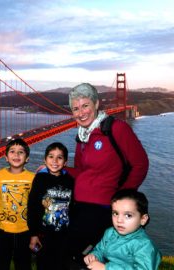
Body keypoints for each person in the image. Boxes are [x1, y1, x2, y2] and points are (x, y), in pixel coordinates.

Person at [66, 83, 149, 266]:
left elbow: (140, 164)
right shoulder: (82, 135)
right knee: (74, 258)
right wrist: (56, 168)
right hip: (79, 207)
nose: (81, 113)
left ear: (96, 104)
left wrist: (121, 197)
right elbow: (81, 172)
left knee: (91, 260)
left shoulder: (116, 128)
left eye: (85, 105)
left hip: (102, 210)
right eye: (76, 108)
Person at [84, 189, 161, 270]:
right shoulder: (110, 232)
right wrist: (94, 256)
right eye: (115, 213)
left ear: (143, 219)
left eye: (128, 215)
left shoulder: (144, 245)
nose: (119, 220)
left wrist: (106, 268)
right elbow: (100, 250)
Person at [27, 142, 74, 270]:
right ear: (45, 159)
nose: (55, 161)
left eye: (59, 157)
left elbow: (73, 207)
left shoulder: (70, 181)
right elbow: (32, 207)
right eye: (51, 156)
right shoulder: (40, 179)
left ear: (65, 162)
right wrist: (33, 234)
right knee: (43, 265)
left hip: (64, 235)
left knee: (61, 265)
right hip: (43, 235)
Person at [0, 138, 35, 270]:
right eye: (12, 152)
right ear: (6, 157)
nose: (16, 155)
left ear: (27, 158)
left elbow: (34, 205)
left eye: (21, 152)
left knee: (23, 264)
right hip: (3, 230)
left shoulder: (32, 177)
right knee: (1, 263)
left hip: (24, 229)